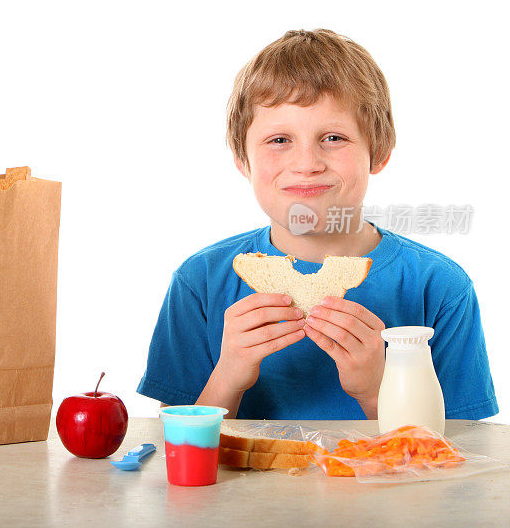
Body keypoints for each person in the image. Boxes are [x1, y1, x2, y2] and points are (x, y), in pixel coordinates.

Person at [137, 29, 498, 420]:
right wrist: (228, 376)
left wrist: (378, 392)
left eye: (333, 137)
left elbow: (461, 454)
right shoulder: (200, 281)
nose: (307, 163)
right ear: (242, 161)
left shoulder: (439, 287)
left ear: (377, 153)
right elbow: (178, 455)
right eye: (279, 140)